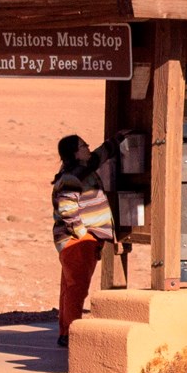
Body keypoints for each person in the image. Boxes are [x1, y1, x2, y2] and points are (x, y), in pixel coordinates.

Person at [51, 133, 116, 348]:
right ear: (75, 153)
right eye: (83, 146)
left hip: (78, 239)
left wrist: (116, 141)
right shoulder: (72, 177)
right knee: (77, 288)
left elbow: (98, 156)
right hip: (78, 240)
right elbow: (67, 209)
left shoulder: (84, 168)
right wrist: (81, 234)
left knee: (70, 287)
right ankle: (71, 334)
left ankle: (65, 332)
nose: (88, 147)